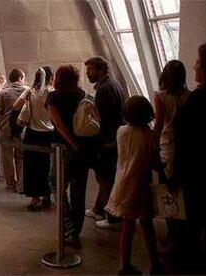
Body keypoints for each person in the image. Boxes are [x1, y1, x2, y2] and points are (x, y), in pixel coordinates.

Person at [174, 43, 206, 273]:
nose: (194, 66)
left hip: (197, 178)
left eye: (198, 62)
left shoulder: (198, 101)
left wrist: (176, 174)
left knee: (192, 230)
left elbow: (184, 141)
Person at [105, 95, 163, 275]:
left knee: (127, 229)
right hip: (142, 186)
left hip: (122, 183)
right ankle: (155, 264)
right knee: (147, 227)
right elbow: (155, 162)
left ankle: (126, 265)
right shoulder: (151, 135)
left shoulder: (121, 131)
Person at [46, 65, 100, 247]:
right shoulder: (82, 94)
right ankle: (75, 229)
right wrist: (78, 144)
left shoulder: (54, 97)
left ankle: (67, 226)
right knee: (79, 189)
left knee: (57, 185)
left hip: (62, 146)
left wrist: (71, 142)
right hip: (82, 147)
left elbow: (58, 124)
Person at [153, 60, 190, 258]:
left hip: (167, 148)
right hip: (186, 149)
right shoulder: (189, 96)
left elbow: (159, 124)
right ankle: (181, 236)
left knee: (167, 194)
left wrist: (152, 146)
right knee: (183, 193)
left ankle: (172, 237)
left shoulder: (160, 96)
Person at [84, 56, 125, 229]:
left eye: (90, 70)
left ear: (100, 70)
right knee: (107, 177)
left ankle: (112, 216)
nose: (88, 73)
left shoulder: (104, 89)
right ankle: (99, 208)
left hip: (107, 140)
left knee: (105, 178)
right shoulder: (114, 84)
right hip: (113, 139)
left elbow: (100, 119)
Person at [13, 67, 54, 211]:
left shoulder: (30, 91)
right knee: (46, 166)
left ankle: (35, 198)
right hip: (48, 133)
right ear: (50, 78)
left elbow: (16, 105)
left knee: (32, 167)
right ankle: (47, 195)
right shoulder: (51, 92)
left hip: (32, 133)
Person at [0, 68, 27, 192]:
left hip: (4, 127)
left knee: (7, 157)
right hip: (21, 128)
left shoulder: (3, 92)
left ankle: (10, 184)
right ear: (20, 78)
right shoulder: (26, 91)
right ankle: (21, 184)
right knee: (21, 156)